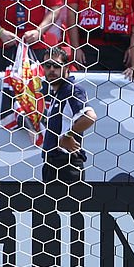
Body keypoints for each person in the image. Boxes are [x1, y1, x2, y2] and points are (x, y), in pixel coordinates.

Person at [42, 47, 97, 183]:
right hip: (52, 164)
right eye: (47, 65)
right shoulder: (58, 93)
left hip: (67, 165)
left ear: (66, 67)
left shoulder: (72, 89)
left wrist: (68, 135)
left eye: (56, 65)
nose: (51, 70)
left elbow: (90, 117)